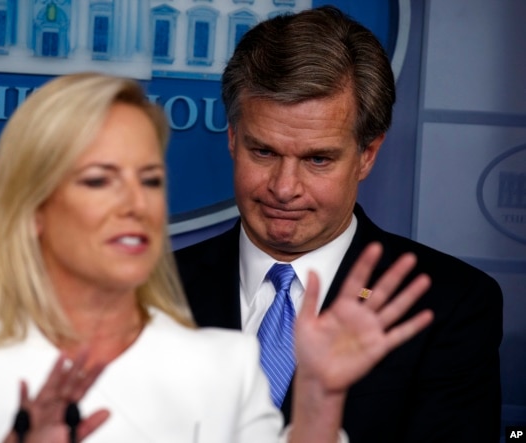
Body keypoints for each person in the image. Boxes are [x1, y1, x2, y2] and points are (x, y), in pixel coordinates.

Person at [0, 72, 433, 443]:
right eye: (99, 180)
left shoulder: (226, 364)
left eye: (149, 179)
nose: (135, 204)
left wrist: (316, 401)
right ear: (32, 207)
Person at [175, 6, 503, 443]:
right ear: (233, 139)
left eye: (318, 159)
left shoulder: (448, 305)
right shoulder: (148, 291)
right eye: (264, 152)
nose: (285, 188)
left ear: (367, 154)